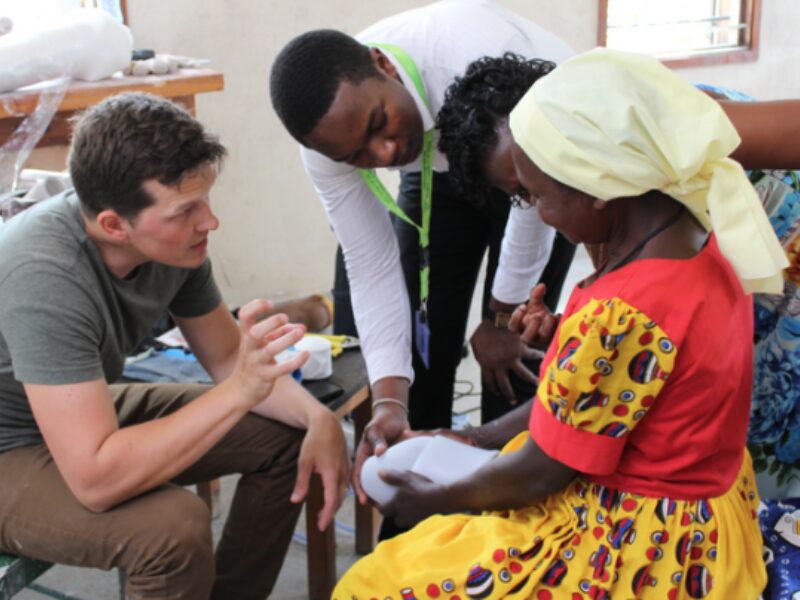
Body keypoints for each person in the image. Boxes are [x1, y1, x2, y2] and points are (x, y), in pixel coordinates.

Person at [333, 47, 785, 599]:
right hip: (710, 518)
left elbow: (538, 475)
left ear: (597, 188)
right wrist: (480, 430)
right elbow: (613, 399)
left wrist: (430, 500)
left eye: (538, 197)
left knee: (378, 580)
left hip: (648, 546)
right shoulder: (703, 238)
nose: (539, 214)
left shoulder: (620, 311)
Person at [0, 92, 350, 599]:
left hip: (68, 416)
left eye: (206, 200)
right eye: (186, 210)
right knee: (174, 531)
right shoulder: (44, 274)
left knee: (283, 433)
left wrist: (318, 418)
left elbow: (229, 359)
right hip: (10, 446)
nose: (209, 222)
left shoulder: (171, 246)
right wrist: (238, 393)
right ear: (114, 225)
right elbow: (96, 480)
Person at [268, 0, 577, 511]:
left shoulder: (472, 53)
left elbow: (530, 206)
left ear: (384, 65)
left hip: (537, 155)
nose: (384, 153)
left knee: (513, 352)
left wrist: (500, 316)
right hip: (435, 169)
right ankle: (419, 515)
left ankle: (507, 513)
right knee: (418, 344)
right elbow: (369, 265)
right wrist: (389, 400)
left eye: (378, 124)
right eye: (357, 156)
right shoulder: (328, 146)